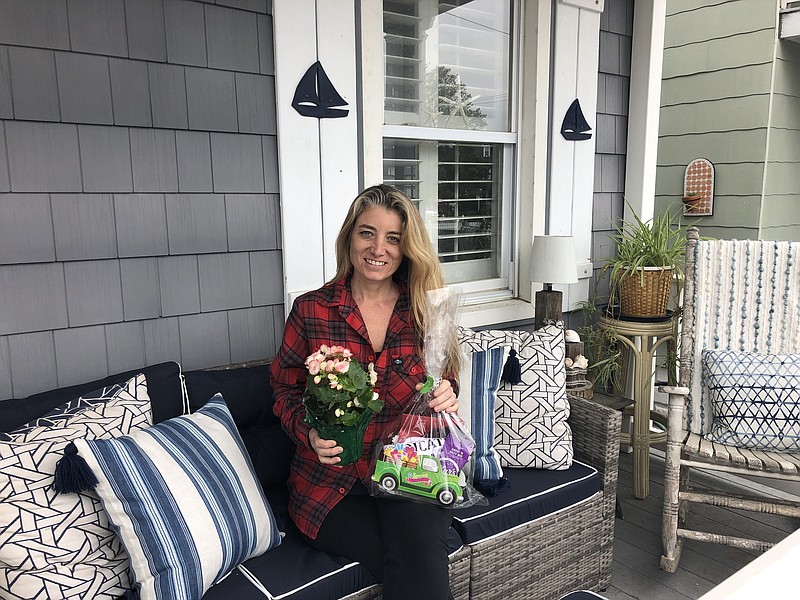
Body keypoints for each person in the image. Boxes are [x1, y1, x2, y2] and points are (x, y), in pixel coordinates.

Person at [270, 184, 461, 600]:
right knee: (414, 565)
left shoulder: (425, 309)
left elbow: (445, 377)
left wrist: (448, 390)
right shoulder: (311, 310)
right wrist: (310, 435)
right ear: (349, 238)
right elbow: (284, 391)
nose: (379, 248)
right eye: (367, 233)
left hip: (411, 470)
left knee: (417, 560)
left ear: (407, 247)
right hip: (330, 484)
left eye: (393, 238)